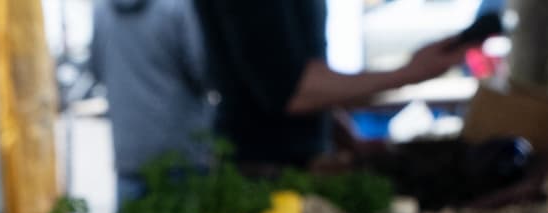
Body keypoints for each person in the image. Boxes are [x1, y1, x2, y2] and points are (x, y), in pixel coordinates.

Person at [191, 0, 472, 171]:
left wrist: (341, 132)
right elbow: (292, 91)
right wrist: (409, 72)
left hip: (295, 167)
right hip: (262, 176)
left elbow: (283, 73)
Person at [90, 0, 213, 207]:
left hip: (129, 153)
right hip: (183, 150)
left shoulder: (101, 9)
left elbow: (97, 71)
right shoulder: (178, 6)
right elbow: (202, 72)